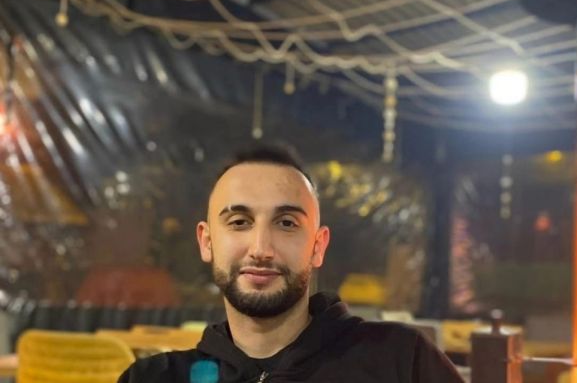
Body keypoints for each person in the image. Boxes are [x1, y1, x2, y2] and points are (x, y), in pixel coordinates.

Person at [118, 144, 465, 383]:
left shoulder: (400, 361)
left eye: (286, 223)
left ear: (318, 245)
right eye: (239, 222)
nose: (261, 249)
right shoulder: (153, 378)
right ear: (206, 242)